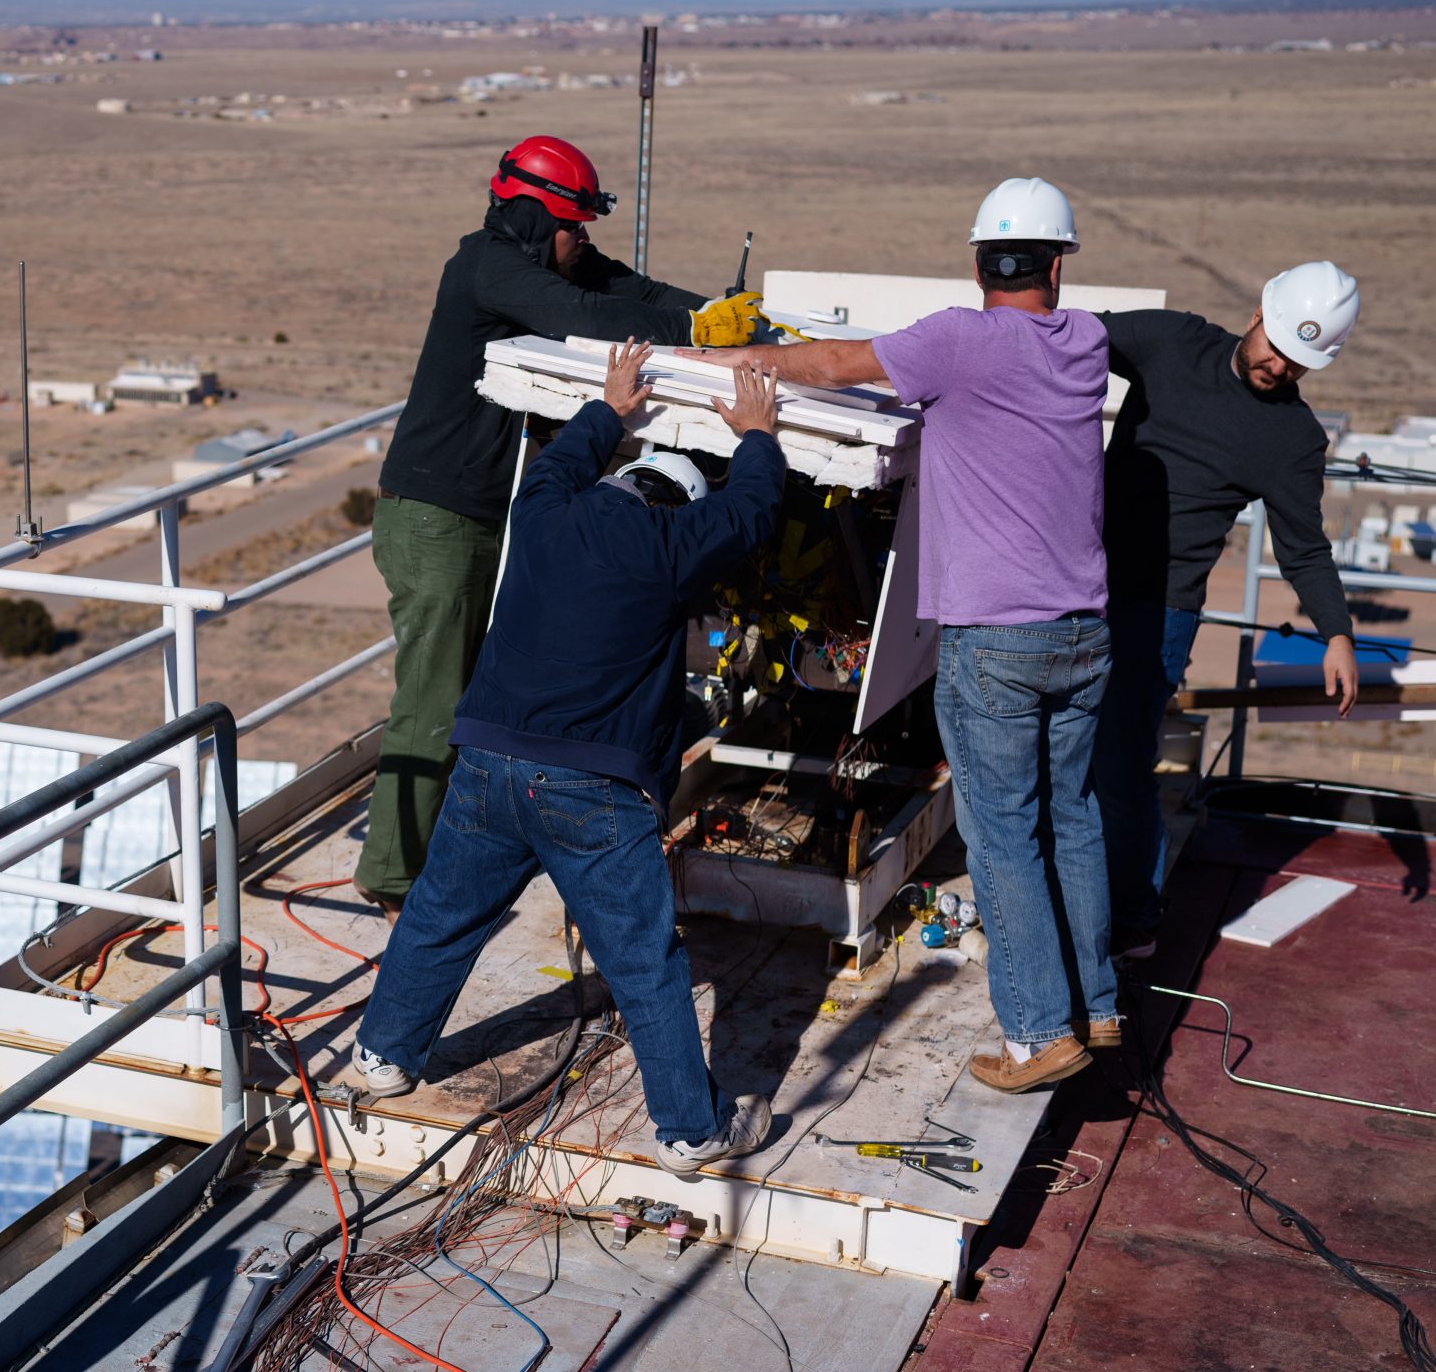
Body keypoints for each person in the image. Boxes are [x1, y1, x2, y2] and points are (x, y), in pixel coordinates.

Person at [352, 340, 786, 1177]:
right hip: (593, 788)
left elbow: (557, 462)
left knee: (441, 915)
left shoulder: (544, 510)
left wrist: (609, 406)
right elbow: (750, 516)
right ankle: (691, 1132)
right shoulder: (670, 545)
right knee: (645, 963)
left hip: (486, 762)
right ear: (673, 505)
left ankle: (382, 1057)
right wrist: (758, 436)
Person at [724, 178, 1115, 1091]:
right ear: (1058, 266)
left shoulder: (956, 340)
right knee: (1076, 820)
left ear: (979, 262)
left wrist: (740, 367)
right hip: (1083, 633)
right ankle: (1098, 1008)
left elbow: (828, 366)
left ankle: (1036, 1036)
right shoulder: (1087, 342)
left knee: (1004, 838)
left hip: (996, 640)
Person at [356, 135, 764, 918]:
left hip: (483, 517)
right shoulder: (490, 268)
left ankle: (447, 846)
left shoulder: (545, 260)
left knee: (476, 691)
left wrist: (717, 316)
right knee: (436, 697)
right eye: (576, 228)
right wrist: (697, 330)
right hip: (435, 517)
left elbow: (630, 288)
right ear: (540, 223)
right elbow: (583, 313)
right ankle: (392, 877)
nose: (586, 244)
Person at [1095, 263, 1363, 959]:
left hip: (1161, 606)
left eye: (1300, 363)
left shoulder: (1294, 439)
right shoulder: (1172, 343)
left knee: (1121, 763)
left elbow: (1304, 549)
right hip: (1073, 575)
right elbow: (1063, 342)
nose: (1278, 366)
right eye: (1275, 345)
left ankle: (1134, 920)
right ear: (1256, 314)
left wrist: (1336, 633)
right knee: (1054, 744)